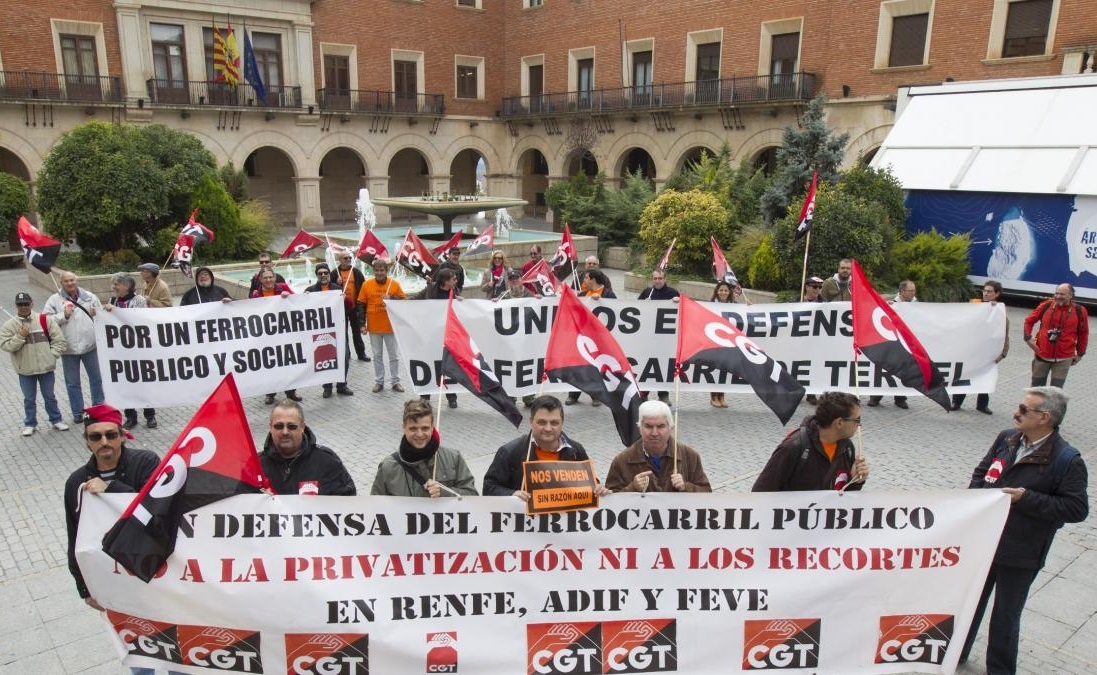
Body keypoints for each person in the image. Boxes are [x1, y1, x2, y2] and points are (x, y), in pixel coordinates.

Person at [959, 386, 1088, 674]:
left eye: (1023, 409)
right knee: (969, 603)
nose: (1016, 412)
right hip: (985, 541)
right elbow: (982, 472)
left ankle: (1000, 670)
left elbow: (1076, 509)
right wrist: (974, 500)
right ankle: (956, 653)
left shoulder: (1067, 459)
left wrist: (1026, 498)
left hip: (1022, 550)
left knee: (1005, 615)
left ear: (1044, 418)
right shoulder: (1007, 438)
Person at [62, 403, 181, 675]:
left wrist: (112, 490)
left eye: (111, 435)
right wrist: (84, 588)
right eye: (96, 437)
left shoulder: (147, 462)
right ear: (86, 441)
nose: (104, 442)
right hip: (119, 586)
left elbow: (157, 516)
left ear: (122, 435)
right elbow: (75, 538)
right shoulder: (75, 483)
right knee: (139, 660)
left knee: (177, 656)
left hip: (157, 576)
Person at [483, 395, 611, 500]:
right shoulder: (510, 452)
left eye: (554, 423)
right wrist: (511, 494)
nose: (548, 428)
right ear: (531, 422)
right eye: (542, 422)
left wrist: (598, 488)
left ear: (562, 423)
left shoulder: (576, 451)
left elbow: (590, 482)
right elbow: (489, 488)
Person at [752, 391, 869, 492]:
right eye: (857, 420)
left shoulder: (847, 447)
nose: (860, 424)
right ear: (839, 423)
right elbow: (761, 492)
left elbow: (842, 496)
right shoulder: (794, 447)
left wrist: (855, 480)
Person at [370, 399, 478, 497]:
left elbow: (472, 496)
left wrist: (444, 492)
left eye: (425, 428)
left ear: (432, 427)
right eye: (413, 429)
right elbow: (375, 506)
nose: (420, 434)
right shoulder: (388, 467)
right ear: (403, 427)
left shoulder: (454, 458)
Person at [604, 400, 711, 493]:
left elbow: (706, 493)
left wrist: (686, 487)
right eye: (648, 426)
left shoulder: (689, 456)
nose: (654, 433)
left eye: (661, 426)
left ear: (671, 428)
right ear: (639, 428)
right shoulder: (622, 461)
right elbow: (611, 501)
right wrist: (632, 488)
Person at [1, 292, 68, 436]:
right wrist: (20, 336)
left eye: (26, 304)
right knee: (29, 399)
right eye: (20, 304)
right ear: (16, 306)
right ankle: (30, 423)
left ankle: (56, 419)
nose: (23, 307)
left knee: (49, 396)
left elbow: (59, 340)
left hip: (45, 368)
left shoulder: (45, 320)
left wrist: (52, 356)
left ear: (32, 304)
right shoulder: (9, 325)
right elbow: (6, 346)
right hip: (25, 369)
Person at [43, 272, 105, 423]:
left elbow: (101, 314)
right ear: (61, 283)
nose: (69, 283)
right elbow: (45, 320)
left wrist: (97, 313)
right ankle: (78, 412)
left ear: (76, 281)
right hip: (68, 349)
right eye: (66, 281)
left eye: (72, 280)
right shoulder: (54, 299)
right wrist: (62, 315)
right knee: (72, 383)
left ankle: (99, 407)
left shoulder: (89, 296)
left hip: (91, 346)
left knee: (96, 379)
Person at [260, 399, 356, 495]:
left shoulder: (327, 461)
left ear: (302, 427)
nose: (285, 432)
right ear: (270, 427)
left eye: (292, 426)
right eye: (279, 426)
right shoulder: (256, 466)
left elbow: (347, 499)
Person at [103, 273, 156, 429]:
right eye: (113, 284)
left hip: (138, 350)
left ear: (126, 286)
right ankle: (130, 416)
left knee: (143, 384)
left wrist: (117, 313)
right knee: (125, 384)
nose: (114, 288)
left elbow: (139, 319)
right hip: (121, 351)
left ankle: (150, 415)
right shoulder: (113, 301)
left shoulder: (139, 300)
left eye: (116, 284)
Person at [953, 280, 1008, 414]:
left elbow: (1004, 334)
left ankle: (982, 405)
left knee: (985, 377)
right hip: (970, 350)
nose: (986, 293)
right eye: (984, 290)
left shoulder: (1000, 312)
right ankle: (956, 402)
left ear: (997, 294)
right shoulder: (974, 305)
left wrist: (1003, 353)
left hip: (987, 352)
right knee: (964, 376)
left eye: (989, 291)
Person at [1023, 283, 1088, 388]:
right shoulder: (1046, 306)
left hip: (1064, 358)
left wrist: (1080, 353)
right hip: (1041, 355)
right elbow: (1028, 321)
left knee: (1056, 392)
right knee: (1036, 389)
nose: (1058, 296)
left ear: (1070, 296)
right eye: (1056, 293)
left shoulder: (1080, 311)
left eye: (1062, 294)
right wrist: (1028, 338)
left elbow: (1083, 333)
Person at [357, 258, 407, 393]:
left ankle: (396, 382)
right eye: (377, 271)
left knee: (394, 356)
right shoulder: (367, 285)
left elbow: (404, 301)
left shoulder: (394, 284)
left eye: (382, 270)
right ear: (373, 271)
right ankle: (379, 382)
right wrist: (362, 324)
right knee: (377, 356)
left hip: (390, 327)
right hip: (374, 327)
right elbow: (361, 305)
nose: (379, 273)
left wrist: (392, 298)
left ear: (386, 271)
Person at [252, 270, 302, 404]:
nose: (268, 280)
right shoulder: (256, 295)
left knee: (288, 363)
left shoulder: (283, 288)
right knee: (270, 365)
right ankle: (270, 393)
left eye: (270, 277)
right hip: (267, 336)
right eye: (265, 278)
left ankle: (291, 392)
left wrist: (289, 296)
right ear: (260, 280)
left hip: (285, 334)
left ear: (274, 278)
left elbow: (299, 302)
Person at [305, 264, 353, 398]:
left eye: (325, 272)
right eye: (320, 273)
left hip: (338, 330)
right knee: (324, 358)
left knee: (344, 357)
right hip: (321, 331)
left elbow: (349, 308)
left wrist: (345, 299)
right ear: (316, 275)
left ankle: (342, 385)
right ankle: (327, 387)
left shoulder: (337, 289)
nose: (323, 275)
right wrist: (304, 298)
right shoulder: (310, 291)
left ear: (329, 274)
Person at [868, 280, 916, 409]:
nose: (913, 293)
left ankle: (900, 398)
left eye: (914, 291)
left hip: (906, 343)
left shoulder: (917, 305)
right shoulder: (892, 302)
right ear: (901, 291)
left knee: (903, 369)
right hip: (889, 341)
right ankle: (876, 396)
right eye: (910, 291)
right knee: (883, 368)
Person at [414, 269, 459, 408]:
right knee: (429, 363)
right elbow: (413, 300)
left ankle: (451, 396)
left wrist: (460, 302)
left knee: (447, 364)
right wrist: (394, 301)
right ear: (445, 281)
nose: (456, 281)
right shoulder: (430, 289)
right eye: (453, 279)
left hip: (447, 336)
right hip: (430, 335)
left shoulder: (453, 292)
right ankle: (425, 396)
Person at [638, 269, 679, 403]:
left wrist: (678, 302)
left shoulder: (672, 293)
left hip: (665, 338)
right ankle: (644, 393)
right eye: (655, 278)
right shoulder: (647, 292)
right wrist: (644, 304)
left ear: (665, 279)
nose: (657, 281)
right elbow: (635, 308)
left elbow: (682, 310)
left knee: (662, 365)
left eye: (660, 278)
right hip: (649, 336)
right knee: (647, 365)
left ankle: (663, 394)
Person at [335, 251, 370, 362]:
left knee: (357, 332)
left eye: (350, 257)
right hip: (341, 308)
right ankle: (347, 354)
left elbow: (364, 288)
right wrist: (336, 283)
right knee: (343, 332)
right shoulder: (334, 273)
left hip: (355, 307)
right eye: (345, 258)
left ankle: (361, 354)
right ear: (340, 260)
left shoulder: (356, 272)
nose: (349, 259)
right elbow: (328, 288)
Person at [707, 281, 737, 408]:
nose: (723, 293)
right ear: (717, 292)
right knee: (716, 369)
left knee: (725, 369)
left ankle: (722, 396)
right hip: (714, 341)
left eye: (726, 290)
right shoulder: (710, 305)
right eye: (721, 290)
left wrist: (749, 306)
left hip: (728, 342)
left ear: (729, 292)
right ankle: (714, 396)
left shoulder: (735, 306)